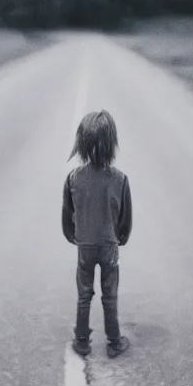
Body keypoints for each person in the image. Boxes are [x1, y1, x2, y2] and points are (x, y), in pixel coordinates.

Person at [62, 110, 132, 358]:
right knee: (109, 295)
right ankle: (114, 341)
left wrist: (73, 235)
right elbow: (126, 219)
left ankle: (82, 341)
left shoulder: (73, 178)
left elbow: (67, 213)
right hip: (109, 245)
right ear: (112, 143)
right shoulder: (120, 179)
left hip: (86, 247)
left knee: (84, 294)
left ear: (81, 143)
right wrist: (121, 237)